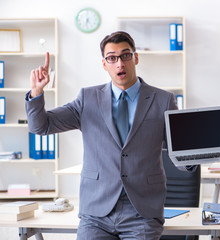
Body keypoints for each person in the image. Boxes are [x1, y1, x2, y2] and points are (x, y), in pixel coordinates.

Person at [26, 31, 181, 239]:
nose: (119, 64)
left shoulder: (164, 100)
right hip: (96, 213)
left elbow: (180, 152)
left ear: (135, 57)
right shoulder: (87, 99)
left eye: (125, 55)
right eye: (112, 58)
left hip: (142, 212)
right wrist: (36, 92)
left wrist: (200, 150)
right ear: (104, 64)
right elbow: (41, 126)